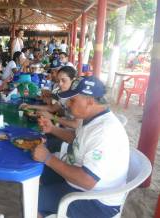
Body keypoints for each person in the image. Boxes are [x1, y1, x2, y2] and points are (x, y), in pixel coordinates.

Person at [34, 76, 129, 218]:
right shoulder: (93, 118)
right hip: (81, 185)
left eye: (72, 100)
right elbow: (78, 139)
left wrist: (48, 158)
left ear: (90, 102)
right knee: (39, 174)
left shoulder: (104, 132)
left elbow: (87, 181)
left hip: (97, 201)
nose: (68, 104)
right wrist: (52, 129)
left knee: (31, 200)